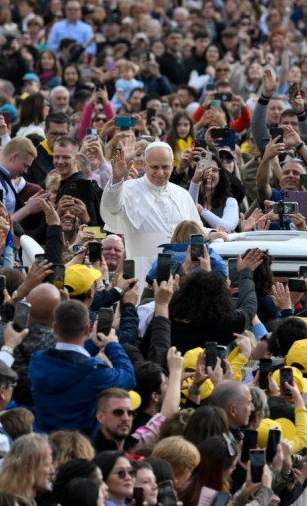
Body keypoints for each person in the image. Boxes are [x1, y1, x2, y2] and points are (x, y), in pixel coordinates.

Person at [101, 142, 202, 284]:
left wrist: (214, 233)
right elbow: (111, 208)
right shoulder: (128, 189)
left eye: (165, 167)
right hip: (142, 270)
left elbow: (196, 230)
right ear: (144, 165)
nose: (160, 173)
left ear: (172, 165)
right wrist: (117, 180)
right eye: (155, 167)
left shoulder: (182, 194)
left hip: (180, 274)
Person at [29, 300, 135, 435]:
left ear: (54, 327)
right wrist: (113, 345)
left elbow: (66, 363)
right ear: (86, 329)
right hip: (78, 444)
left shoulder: (37, 361)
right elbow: (128, 378)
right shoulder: (95, 373)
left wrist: (92, 345)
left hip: (42, 442)